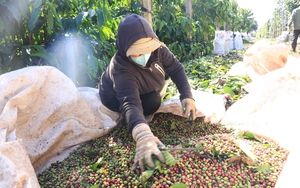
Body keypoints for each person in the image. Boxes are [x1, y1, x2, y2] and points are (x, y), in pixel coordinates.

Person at [98, 13, 196, 172]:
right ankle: (132, 122)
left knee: (153, 100)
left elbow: (176, 69)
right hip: (114, 97)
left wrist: (187, 96)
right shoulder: (121, 68)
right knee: (146, 104)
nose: (143, 55)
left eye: (147, 49)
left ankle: (137, 119)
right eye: (137, 52)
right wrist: (143, 135)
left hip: (140, 87)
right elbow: (129, 102)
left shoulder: (159, 50)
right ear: (125, 48)